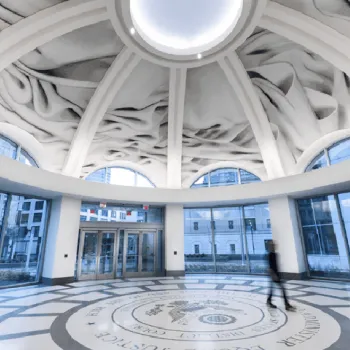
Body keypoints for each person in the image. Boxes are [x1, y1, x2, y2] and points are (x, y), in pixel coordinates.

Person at [266, 240, 295, 311]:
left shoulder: (275, 254)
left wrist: (279, 275)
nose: (274, 246)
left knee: (273, 290)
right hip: (274, 276)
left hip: (276, 275)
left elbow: (276, 266)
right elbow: (270, 267)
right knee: (282, 289)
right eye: (272, 245)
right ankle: (286, 304)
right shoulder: (270, 255)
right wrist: (274, 276)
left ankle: (269, 301)